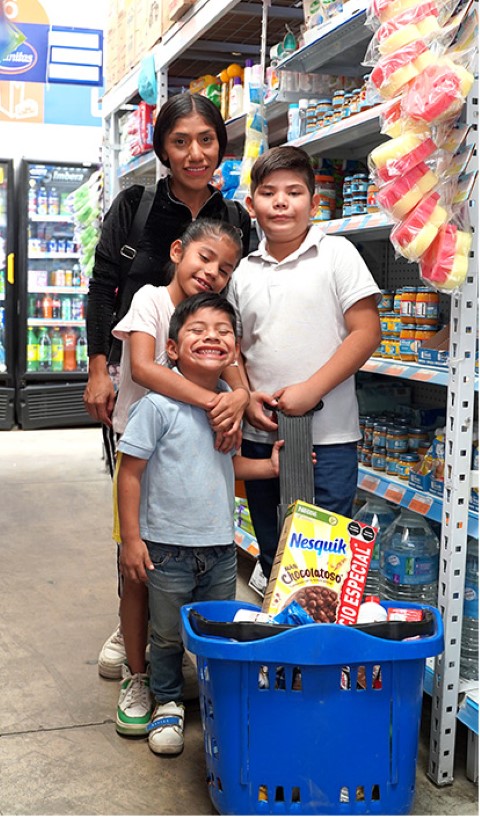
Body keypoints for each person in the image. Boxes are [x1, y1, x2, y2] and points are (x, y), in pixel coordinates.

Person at [84, 91, 251, 679]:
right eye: (180, 141)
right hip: (139, 403)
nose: (194, 152)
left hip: (202, 408)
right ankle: (134, 633)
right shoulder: (136, 205)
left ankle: (166, 630)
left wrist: (241, 391)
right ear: (162, 148)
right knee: (136, 524)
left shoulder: (234, 220)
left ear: (220, 146)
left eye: (206, 139)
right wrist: (99, 366)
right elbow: (104, 287)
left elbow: (224, 320)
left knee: (186, 518)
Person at [117, 292, 282, 755]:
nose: (212, 336)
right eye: (197, 330)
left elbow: (227, 467)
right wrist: (132, 540)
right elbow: (129, 473)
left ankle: (214, 698)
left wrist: (267, 467)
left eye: (223, 331)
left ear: (234, 349)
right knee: (167, 632)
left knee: (216, 626)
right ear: (171, 349)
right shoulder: (157, 406)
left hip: (220, 548)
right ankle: (167, 701)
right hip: (165, 547)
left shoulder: (229, 402)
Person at [110, 219, 249, 737]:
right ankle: (141, 673)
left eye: (226, 268)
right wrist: (220, 400)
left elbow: (239, 384)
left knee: (194, 609)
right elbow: (144, 370)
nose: (212, 272)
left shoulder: (213, 331)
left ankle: (179, 676)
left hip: (210, 535)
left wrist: (241, 397)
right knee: (137, 577)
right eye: (205, 258)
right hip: (143, 460)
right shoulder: (149, 299)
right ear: (177, 251)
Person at [227, 145, 382, 578]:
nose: (280, 202)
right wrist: (244, 393)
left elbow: (367, 331)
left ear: (314, 204)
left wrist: (310, 391)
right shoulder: (243, 272)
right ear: (251, 205)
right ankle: (281, 638)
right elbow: (234, 347)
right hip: (264, 437)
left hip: (329, 438)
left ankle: (315, 640)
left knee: (324, 560)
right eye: (268, 192)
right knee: (274, 548)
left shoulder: (337, 255)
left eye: (293, 192)